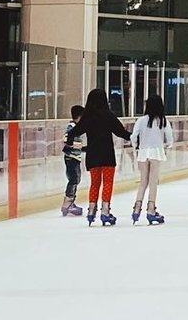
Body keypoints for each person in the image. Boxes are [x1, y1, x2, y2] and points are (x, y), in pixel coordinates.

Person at [66, 89, 131, 225]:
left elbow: (75, 131)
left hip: (93, 155)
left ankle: (91, 211)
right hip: (107, 155)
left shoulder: (87, 117)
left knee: (94, 183)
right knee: (107, 182)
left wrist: (70, 141)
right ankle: (105, 211)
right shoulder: (108, 115)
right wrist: (135, 138)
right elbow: (120, 132)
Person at [130, 94, 175, 224]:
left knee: (143, 181)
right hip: (156, 152)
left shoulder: (141, 120)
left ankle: (136, 209)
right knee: (153, 182)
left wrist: (135, 146)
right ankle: (151, 210)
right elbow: (169, 137)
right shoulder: (163, 121)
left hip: (143, 152)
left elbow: (134, 136)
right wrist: (167, 146)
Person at [61, 104, 85, 216]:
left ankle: (71, 202)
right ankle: (67, 203)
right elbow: (66, 140)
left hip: (75, 157)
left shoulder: (77, 127)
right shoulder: (71, 126)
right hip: (71, 157)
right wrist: (79, 147)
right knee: (74, 179)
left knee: (76, 179)